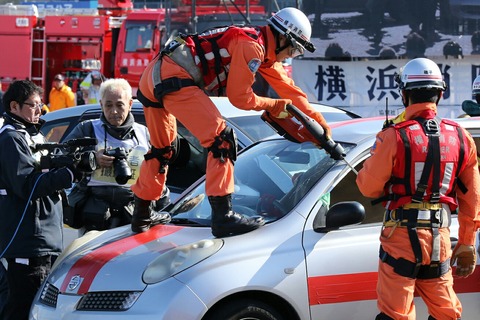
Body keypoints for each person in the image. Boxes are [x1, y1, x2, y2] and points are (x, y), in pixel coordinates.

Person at [132, 7, 332, 237]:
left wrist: (319, 124)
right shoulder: (253, 47)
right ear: (283, 37)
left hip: (154, 75)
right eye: (294, 49)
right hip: (175, 75)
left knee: (162, 150)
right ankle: (223, 216)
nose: (291, 55)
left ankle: (142, 214)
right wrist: (274, 105)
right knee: (221, 139)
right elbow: (241, 98)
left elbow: (292, 92)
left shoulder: (259, 44)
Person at [356, 58, 480, 320]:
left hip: (400, 238)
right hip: (440, 239)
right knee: (446, 312)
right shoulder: (460, 136)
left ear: (404, 94)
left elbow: (368, 188)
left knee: (396, 314)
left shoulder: (394, 136)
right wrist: (468, 242)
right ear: (441, 93)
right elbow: (472, 197)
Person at [0, 80, 81, 320]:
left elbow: (42, 169)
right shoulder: (11, 139)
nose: (40, 110)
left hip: (41, 239)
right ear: (14, 106)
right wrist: (67, 175)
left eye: (41, 105)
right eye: (33, 106)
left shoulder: (30, 134)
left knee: (34, 307)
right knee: (22, 307)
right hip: (27, 240)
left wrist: (67, 162)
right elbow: (26, 184)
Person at [64, 78, 154, 234]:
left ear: (130, 104)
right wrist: (91, 158)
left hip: (132, 214)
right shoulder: (87, 129)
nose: (114, 111)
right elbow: (61, 156)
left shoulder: (144, 133)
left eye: (120, 105)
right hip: (93, 216)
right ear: (101, 105)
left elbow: (160, 168)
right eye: (108, 105)